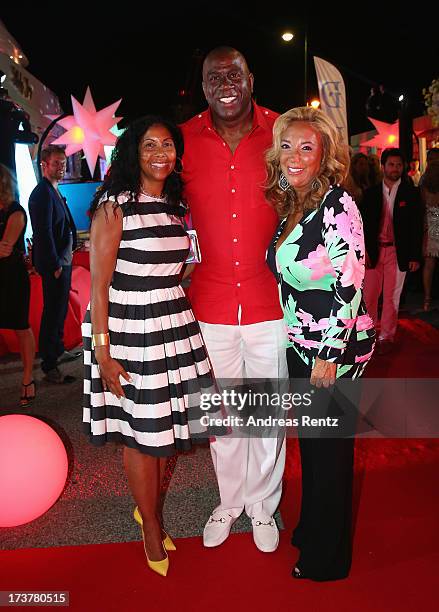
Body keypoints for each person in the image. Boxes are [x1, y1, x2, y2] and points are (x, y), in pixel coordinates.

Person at [82, 115, 216, 577]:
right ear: (132, 154)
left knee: (166, 429)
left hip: (172, 322)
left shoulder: (176, 206)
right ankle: (150, 526)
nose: (161, 154)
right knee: (143, 433)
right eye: (149, 146)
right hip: (129, 326)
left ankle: (148, 510)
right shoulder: (115, 205)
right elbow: (99, 287)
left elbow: (185, 263)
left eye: (168, 146)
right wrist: (103, 353)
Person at [180, 46, 288, 553]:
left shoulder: (282, 132)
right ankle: (230, 499)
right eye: (214, 76)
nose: (226, 82)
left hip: (270, 301)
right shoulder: (181, 141)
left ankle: (264, 504)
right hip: (209, 303)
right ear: (203, 87)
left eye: (235, 73)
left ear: (251, 79)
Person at [265, 106, 376, 581]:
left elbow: (350, 286)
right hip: (302, 344)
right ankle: (313, 528)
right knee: (313, 446)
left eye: (306, 147)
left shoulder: (338, 205)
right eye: (287, 145)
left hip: (334, 350)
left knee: (329, 452)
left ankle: (327, 559)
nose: (294, 155)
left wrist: (328, 355)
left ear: (324, 154)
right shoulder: (295, 203)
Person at [360, 148, 423, 355]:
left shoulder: (411, 193)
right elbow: (361, 226)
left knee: (391, 297)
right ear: (383, 166)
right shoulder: (370, 194)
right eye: (391, 164)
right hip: (373, 251)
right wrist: (363, 252)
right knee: (369, 295)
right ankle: (368, 334)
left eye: (398, 164)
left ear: (403, 167)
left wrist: (414, 256)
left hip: (398, 252)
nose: (395, 168)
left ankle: (387, 335)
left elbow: (417, 226)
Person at [28, 145, 80, 383]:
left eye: (64, 162)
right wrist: (54, 264)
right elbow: (43, 232)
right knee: (52, 312)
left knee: (58, 311)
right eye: (57, 163)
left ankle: (58, 349)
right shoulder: (41, 193)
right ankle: (50, 366)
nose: (62, 167)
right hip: (55, 264)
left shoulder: (54, 190)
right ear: (44, 165)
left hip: (63, 260)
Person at [0, 163, 36, 407]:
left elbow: (4, 249)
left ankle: (27, 379)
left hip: (11, 278)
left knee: (21, 327)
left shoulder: (16, 211)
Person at [421, 160, 439, 310]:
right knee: (430, 265)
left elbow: (421, 207)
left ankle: (427, 299)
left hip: (430, 224)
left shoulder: (424, 186)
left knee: (429, 265)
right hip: (434, 224)